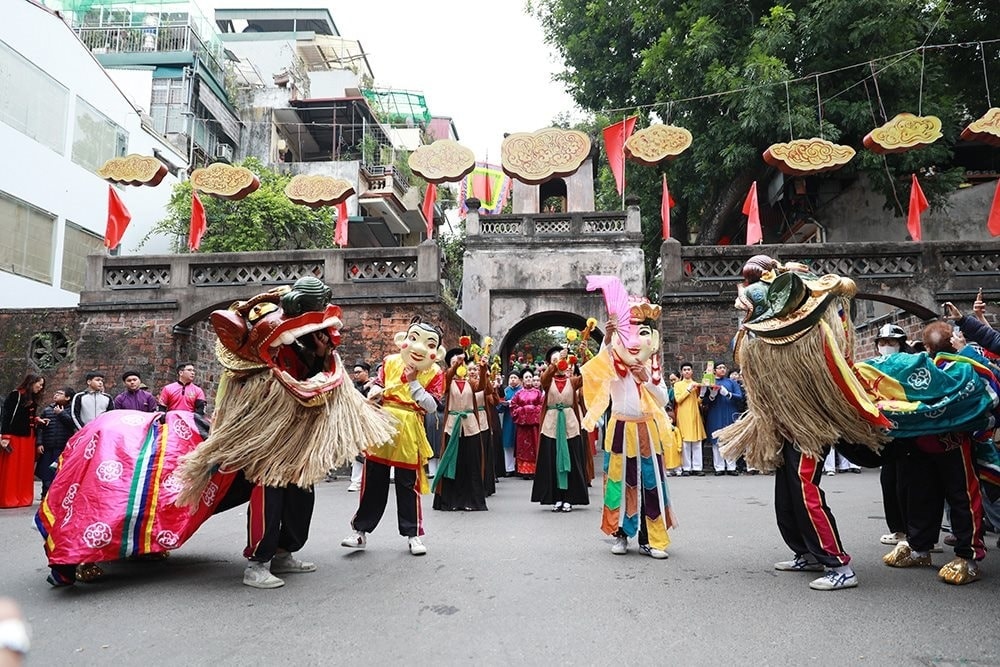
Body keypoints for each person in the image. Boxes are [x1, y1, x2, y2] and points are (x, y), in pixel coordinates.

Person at [717, 256, 890, 590]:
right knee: (786, 494)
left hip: (810, 429)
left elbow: (837, 378)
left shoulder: (812, 336)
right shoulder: (757, 343)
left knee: (805, 490)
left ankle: (839, 565)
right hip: (787, 428)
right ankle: (806, 552)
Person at [858, 320, 992, 585]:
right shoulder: (920, 368)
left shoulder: (962, 368)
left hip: (953, 443)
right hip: (922, 444)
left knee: (962, 497)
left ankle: (968, 556)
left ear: (927, 346)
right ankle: (920, 548)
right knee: (922, 494)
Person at [581, 283, 675, 559]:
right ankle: (621, 534)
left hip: (647, 429)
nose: (634, 339)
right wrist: (609, 336)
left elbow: (663, 399)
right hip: (621, 429)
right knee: (619, 483)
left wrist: (647, 381)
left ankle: (650, 539)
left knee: (649, 483)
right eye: (628, 332)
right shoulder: (613, 364)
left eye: (641, 332)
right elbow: (599, 364)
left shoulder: (651, 368)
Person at [342, 317, 445, 556]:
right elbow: (378, 384)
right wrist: (376, 391)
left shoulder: (435, 372)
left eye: (429, 344)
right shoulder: (390, 362)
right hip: (384, 423)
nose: (419, 347)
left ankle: (413, 534)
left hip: (409, 426)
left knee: (407, 483)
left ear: (436, 352)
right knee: (373, 480)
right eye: (414, 339)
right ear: (403, 340)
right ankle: (360, 531)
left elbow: (431, 406)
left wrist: (414, 383)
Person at [532, 346, 589, 512]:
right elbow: (544, 378)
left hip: (570, 424)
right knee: (552, 461)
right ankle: (555, 497)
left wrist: (584, 355)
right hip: (551, 424)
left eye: (562, 360)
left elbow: (586, 375)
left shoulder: (572, 381)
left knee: (572, 460)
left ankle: (570, 498)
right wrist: (555, 364)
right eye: (555, 360)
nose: (560, 363)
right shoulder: (547, 381)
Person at [432, 350, 489, 512]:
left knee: (472, 462)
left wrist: (483, 368)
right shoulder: (447, 381)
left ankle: (471, 500)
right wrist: (456, 363)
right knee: (452, 461)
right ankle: (451, 501)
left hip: (470, 425)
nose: (459, 365)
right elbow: (446, 379)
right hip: (452, 425)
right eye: (454, 363)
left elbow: (482, 386)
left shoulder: (470, 382)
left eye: (460, 362)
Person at [1, 374, 45, 508]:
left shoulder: (31, 397)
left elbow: (27, 415)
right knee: (12, 467)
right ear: (32, 382)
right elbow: (6, 416)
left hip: (29, 437)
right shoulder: (16, 395)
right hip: (14, 436)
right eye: (39, 384)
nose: (41, 387)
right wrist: (5, 436)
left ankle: (23, 497)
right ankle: (8, 498)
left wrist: (36, 419)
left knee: (25, 468)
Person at [702, 361, 743, 476]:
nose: (722, 369)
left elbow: (740, 396)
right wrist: (712, 396)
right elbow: (704, 401)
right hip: (715, 413)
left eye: (724, 367)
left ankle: (731, 466)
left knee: (730, 440)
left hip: (730, 412)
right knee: (716, 441)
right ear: (714, 370)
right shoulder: (710, 382)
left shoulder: (731, 382)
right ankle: (719, 467)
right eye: (720, 368)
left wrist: (728, 394)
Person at [33, 386, 75, 499]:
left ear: (68, 398)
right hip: (48, 446)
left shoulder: (71, 411)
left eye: (60, 393)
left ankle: (57, 497)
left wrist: (61, 414)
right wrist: (39, 443)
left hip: (62, 447)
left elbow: (72, 425)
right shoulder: (47, 410)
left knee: (59, 473)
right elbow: (40, 429)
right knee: (46, 472)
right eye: (56, 393)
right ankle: (44, 495)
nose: (56, 395)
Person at [673, 363, 706, 476]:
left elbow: (698, 402)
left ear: (692, 372)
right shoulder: (678, 385)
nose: (687, 371)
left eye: (689, 369)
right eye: (685, 370)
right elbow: (678, 399)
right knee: (685, 442)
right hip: (683, 415)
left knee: (697, 442)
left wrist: (702, 394)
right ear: (682, 372)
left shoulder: (696, 384)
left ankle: (697, 467)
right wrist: (688, 389)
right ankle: (686, 467)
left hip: (695, 414)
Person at [510, 370, 543, 479]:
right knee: (523, 447)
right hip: (522, 427)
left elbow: (541, 406)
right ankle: (524, 471)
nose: (528, 379)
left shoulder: (538, 393)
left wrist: (532, 410)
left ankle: (535, 470)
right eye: (526, 377)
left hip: (534, 426)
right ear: (522, 380)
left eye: (530, 377)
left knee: (535, 446)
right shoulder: (518, 394)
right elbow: (513, 407)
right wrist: (525, 410)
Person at [348, 361, 373, 492]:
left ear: (366, 372)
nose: (356, 375)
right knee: (357, 452)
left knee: (371, 451)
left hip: (372, 423)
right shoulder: (353, 387)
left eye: (358, 372)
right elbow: (353, 397)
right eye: (355, 373)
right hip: (357, 422)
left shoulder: (374, 385)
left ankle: (368, 480)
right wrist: (365, 387)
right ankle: (356, 481)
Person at [497, 372, 521, 476]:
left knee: (519, 443)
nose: (513, 379)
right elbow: (499, 408)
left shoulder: (522, 391)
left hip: (520, 420)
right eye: (511, 378)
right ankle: (509, 468)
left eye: (515, 377)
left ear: (519, 379)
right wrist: (503, 404)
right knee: (508, 443)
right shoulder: (505, 391)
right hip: (508, 419)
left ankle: (519, 467)